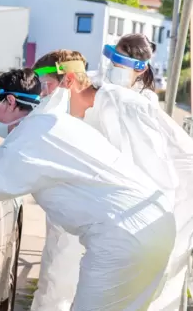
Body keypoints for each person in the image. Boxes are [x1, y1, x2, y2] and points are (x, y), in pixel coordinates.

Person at [0, 68, 176, 310]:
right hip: (152, 224)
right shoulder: (50, 124)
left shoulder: (36, 134)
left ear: (10, 101)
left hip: (123, 236)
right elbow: (1, 162)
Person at [31, 46, 180, 310]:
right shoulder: (75, 105)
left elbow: (156, 172)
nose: (42, 94)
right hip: (83, 220)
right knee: (57, 283)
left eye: (45, 85)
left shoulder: (124, 105)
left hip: (121, 222)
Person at [92, 33, 193, 310]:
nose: (114, 65)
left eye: (121, 60)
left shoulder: (139, 102)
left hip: (135, 204)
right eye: (112, 57)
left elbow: (158, 160)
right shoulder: (107, 92)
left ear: (140, 67)